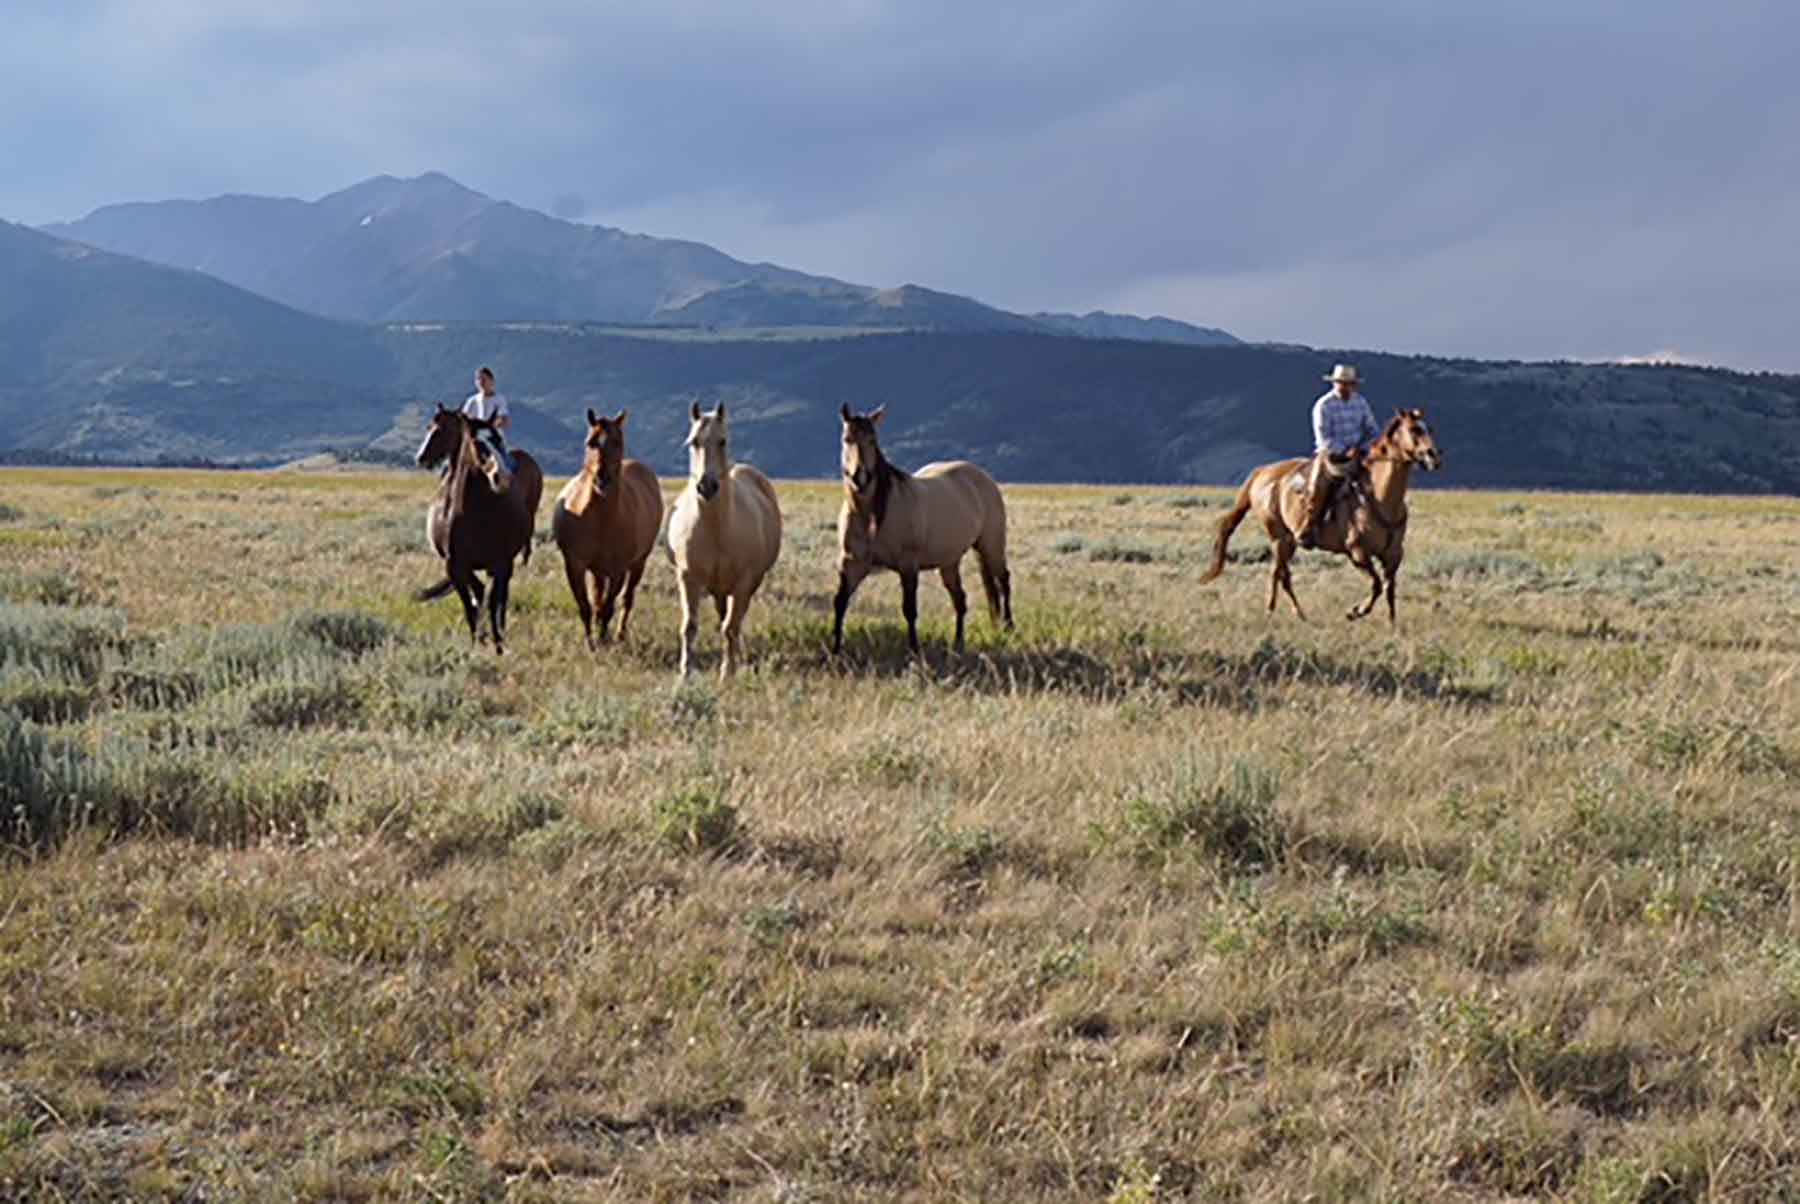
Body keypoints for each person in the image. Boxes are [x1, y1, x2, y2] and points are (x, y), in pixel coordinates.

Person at [1297, 363, 1380, 549]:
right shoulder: (1324, 405)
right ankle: (1309, 526)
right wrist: (1344, 450)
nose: (1347, 387)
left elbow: (1372, 430)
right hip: (1332, 456)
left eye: (1350, 383)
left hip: (1360, 454)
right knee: (1318, 487)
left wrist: (1363, 447)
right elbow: (1323, 437)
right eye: (1343, 383)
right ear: (1335, 383)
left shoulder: (1360, 402)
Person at [461, 366, 517, 475]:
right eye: (478, 379)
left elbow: (504, 418)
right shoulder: (472, 401)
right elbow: (463, 419)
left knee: (507, 463)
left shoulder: (499, 399)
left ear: (491, 381)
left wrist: (498, 422)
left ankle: (511, 480)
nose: (481, 382)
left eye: (484, 379)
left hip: (493, 436)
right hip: (474, 437)